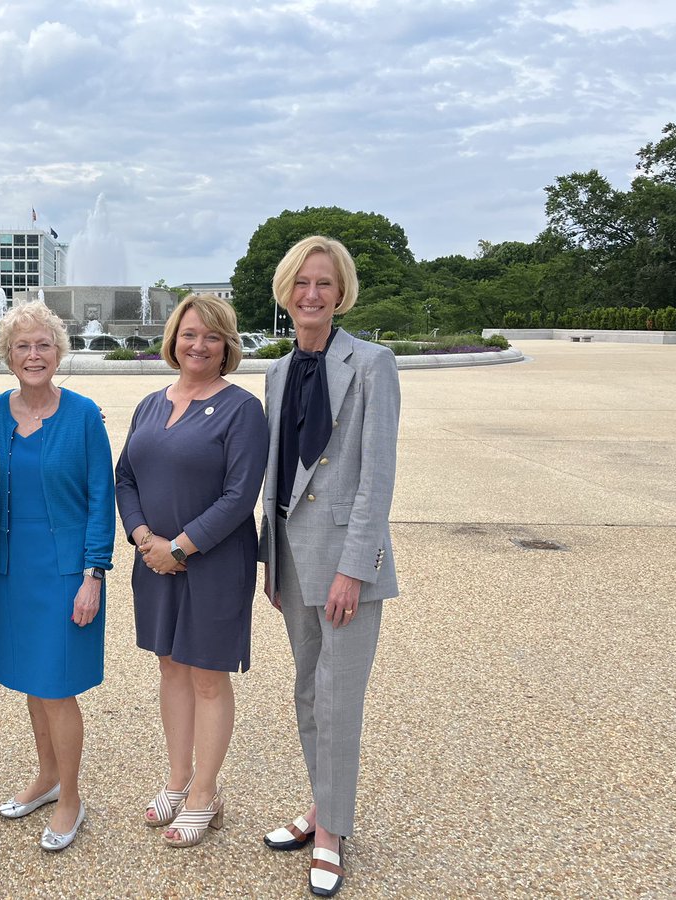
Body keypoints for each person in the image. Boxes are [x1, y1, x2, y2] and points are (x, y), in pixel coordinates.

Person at [258, 236, 401, 897]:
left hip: (345, 565)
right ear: (286, 292)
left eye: (325, 283)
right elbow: (275, 474)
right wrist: (270, 562)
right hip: (291, 559)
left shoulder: (373, 364)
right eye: (301, 283)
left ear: (341, 293)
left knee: (339, 701)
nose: (311, 294)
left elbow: (376, 477)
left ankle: (332, 832)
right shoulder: (278, 370)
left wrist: (355, 568)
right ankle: (323, 805)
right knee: (308, 693)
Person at [115, 293, 268, 848]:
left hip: (213, 563)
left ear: (227, 345)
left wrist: (179, 547)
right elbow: (125, 475)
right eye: (188, 334)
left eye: (211, 336)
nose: (197, 345)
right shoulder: (151, 404)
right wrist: (142, 537)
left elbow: (239, 495)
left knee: (207, 675)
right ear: (172, 340)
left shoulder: (242, 409)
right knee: (171, 668)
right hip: (152, 560)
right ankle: (177, 781)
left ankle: (206, 793)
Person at [0, 301, 115, 852]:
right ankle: (46, 776)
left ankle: (71, 798)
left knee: (57, 688)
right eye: (22, 346)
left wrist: (94, 574)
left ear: (59, 352)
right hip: (10, 572)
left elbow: (99, 499)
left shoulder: (83, 415)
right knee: (33, 685)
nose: (33, 354)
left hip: (66, 575)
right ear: (7, 355)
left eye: (43, 345)